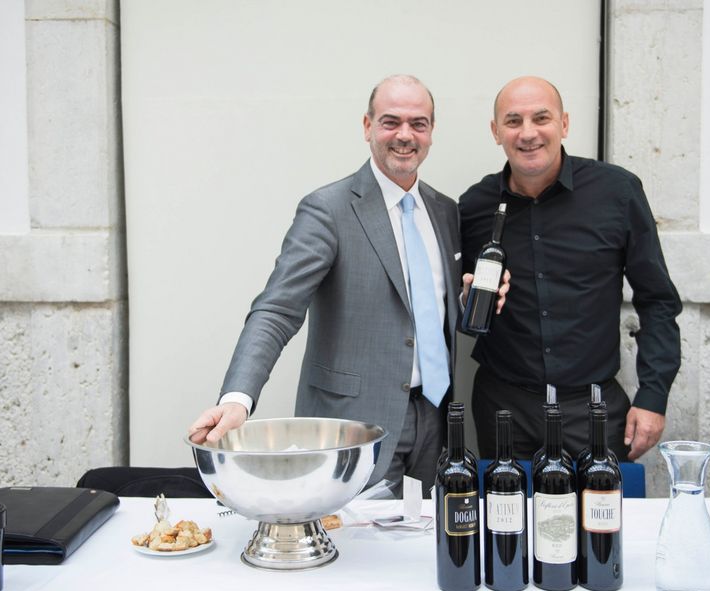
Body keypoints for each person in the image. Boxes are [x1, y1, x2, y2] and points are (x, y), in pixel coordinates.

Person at [188, 75, 508, 493]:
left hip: (437, 422)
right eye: (391, 122)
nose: (405, 135)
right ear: (367, 126)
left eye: (419, 123)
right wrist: (237, 399)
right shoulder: (329, 209)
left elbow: (430, 312)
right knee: (354, 537)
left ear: (431, 132)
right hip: (353, 428)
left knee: (426, 534)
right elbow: (277, 309)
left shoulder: (445, 211)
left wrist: (469, 301)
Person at [460, 76, 681, 462]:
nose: (528, 133)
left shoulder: (618, 192)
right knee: (505, 504)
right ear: (496, 132)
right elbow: (453, 303)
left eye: (541, 118)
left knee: (600, 505)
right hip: (503, 409)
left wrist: (653, 396)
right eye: (513, 121)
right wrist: (466, 301)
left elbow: (657, 299)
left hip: (593, 410)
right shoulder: (474, 206)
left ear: (564, 124)